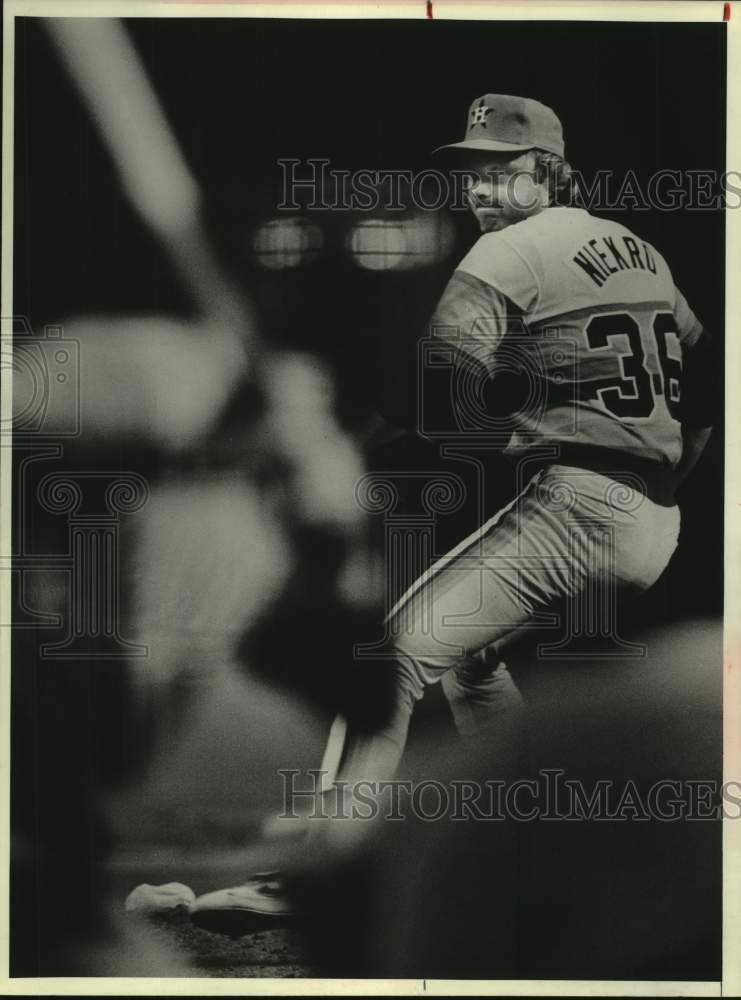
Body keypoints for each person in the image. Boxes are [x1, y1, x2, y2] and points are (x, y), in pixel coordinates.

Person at [189, 93, 716, 929]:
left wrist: (352, 446)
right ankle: (526, 849)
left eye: (497, 172)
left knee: (391, 654)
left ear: (547, 170)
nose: (476, 190)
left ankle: (323, 872)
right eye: (469, 172)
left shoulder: (511, 252)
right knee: (471, 663)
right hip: (654, 522)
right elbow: (702, 368)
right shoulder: (641, 250)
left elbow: (439, 392)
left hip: (576, 509)